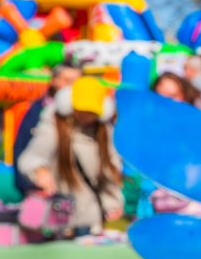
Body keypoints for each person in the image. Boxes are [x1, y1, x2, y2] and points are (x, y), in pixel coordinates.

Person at [17, 77, 123, 235]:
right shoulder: (54, 125)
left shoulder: (104, 131)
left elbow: (110, 173)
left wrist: (113, 203)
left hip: (93, 217)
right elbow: (30, 157)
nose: (85, 116)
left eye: (91, 112)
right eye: (81, 109)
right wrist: (39, 170)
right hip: (61, 216)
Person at [13, 62, 81, 194]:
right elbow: (22, 148)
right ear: (54, 80)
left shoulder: (86, 114)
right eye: (67, 80)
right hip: (43, 188)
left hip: (75, 189)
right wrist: (29, 185)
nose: (71, 86)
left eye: (76, 82)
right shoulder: (38, 111)